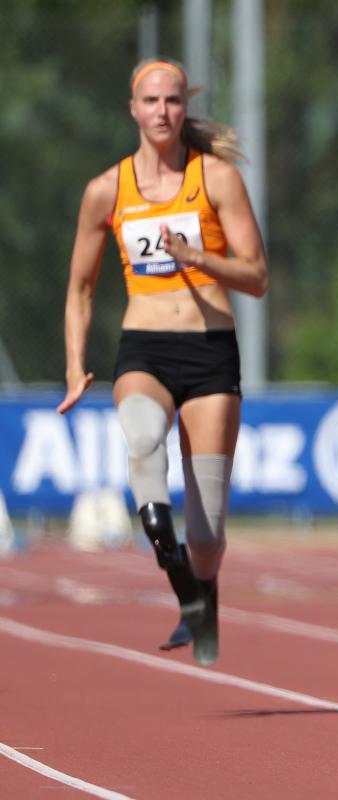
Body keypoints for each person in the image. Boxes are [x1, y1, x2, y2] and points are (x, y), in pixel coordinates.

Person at [57, 58, 269, 665]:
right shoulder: (107, 190)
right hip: (144, 348)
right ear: (133, 109)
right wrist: (75, 366)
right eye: (150, 102)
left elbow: (256, 277)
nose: (162, 112)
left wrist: (199, 258)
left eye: (173, 101)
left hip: (209, 352)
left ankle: (204, 594)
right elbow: (79, 288)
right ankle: (175, 574)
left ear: (185, 109)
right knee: (144, 439)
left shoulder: (216, 179)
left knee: (207, 533)